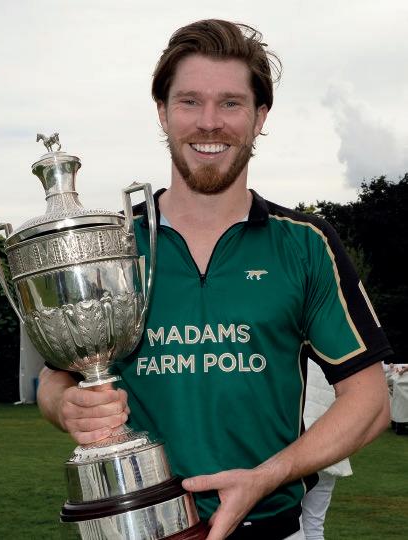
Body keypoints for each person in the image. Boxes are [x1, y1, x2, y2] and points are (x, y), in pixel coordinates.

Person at [37, 19, 392, 540]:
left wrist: (266, 476)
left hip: (272, 527)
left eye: (230, 103)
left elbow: (370, 400)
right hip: (136, 528)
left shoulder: (305, 243)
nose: (209, 123)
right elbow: (55, 377)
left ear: (260, 116)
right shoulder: (110, 245)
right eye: (189, 102)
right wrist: (66, 406)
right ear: (162, 112)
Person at [301, 359, 353, 539]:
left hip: (298, 448)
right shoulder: (337, 357)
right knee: (314, 525)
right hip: (330, 446)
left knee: (294, 524)